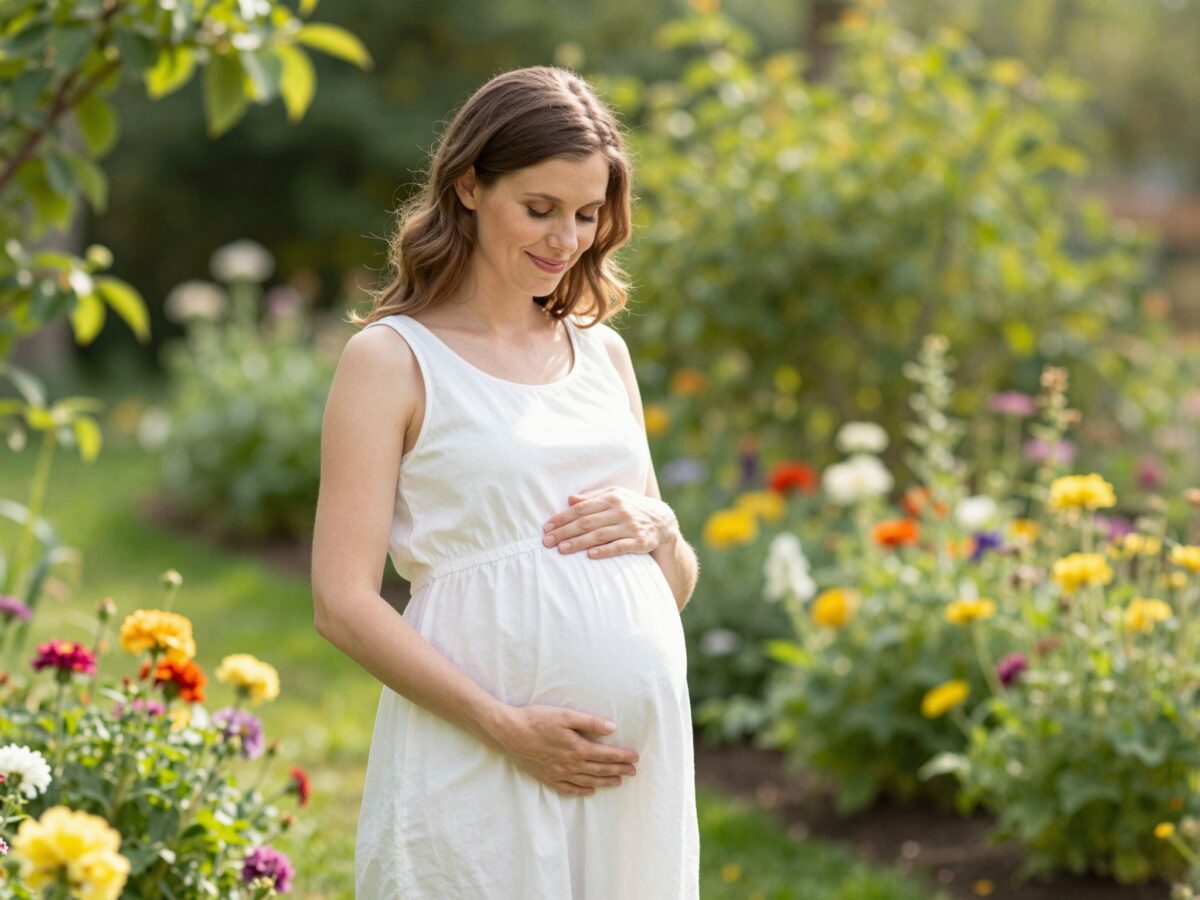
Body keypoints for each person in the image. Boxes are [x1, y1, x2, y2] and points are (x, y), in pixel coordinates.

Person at [311, 65, 701, 899]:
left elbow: (670, 589)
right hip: (478, 751)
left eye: (588, 214)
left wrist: (663, 531)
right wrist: (508, 728)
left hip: (633, 772)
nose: (567, 239)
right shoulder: (392, 360)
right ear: (468, 187)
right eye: (540, 209)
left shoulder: (603, 354)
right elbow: (341, 603)